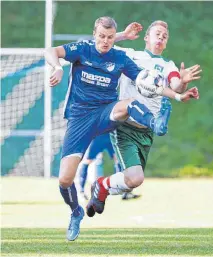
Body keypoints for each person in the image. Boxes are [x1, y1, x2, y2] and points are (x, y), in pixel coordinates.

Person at [45, 16, 198, 241]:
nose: (106, 41)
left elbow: (149, 84)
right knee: (65, 180)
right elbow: (50, 50)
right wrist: (57, 67)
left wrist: (177, 94)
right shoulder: (85, 49)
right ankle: (76, 211)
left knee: (128, 105)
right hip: (79, 119)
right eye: (102, 36)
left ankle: (154, 122)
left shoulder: (122, 58)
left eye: (109, 37)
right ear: (94, 34)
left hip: (107, 112)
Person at [86, 20, 201, 218]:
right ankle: (101, 187)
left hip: (146, 131)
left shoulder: (167, 65)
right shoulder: (130, 55)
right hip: (125, 126)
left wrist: (182, 82)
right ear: (146, 38)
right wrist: (122, 34)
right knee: (136, 178)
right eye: (157, 33)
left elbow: (175, 86)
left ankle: (101, 186)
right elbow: (99, 44)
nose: (161, 37)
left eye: (165, 36)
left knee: (132, 181)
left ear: (166, 43)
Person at [78, 133, 141, 200]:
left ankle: (123, 191)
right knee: (88, 161)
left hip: (110, 137)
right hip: (98, 137)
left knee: (118, 160)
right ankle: (81, 191)